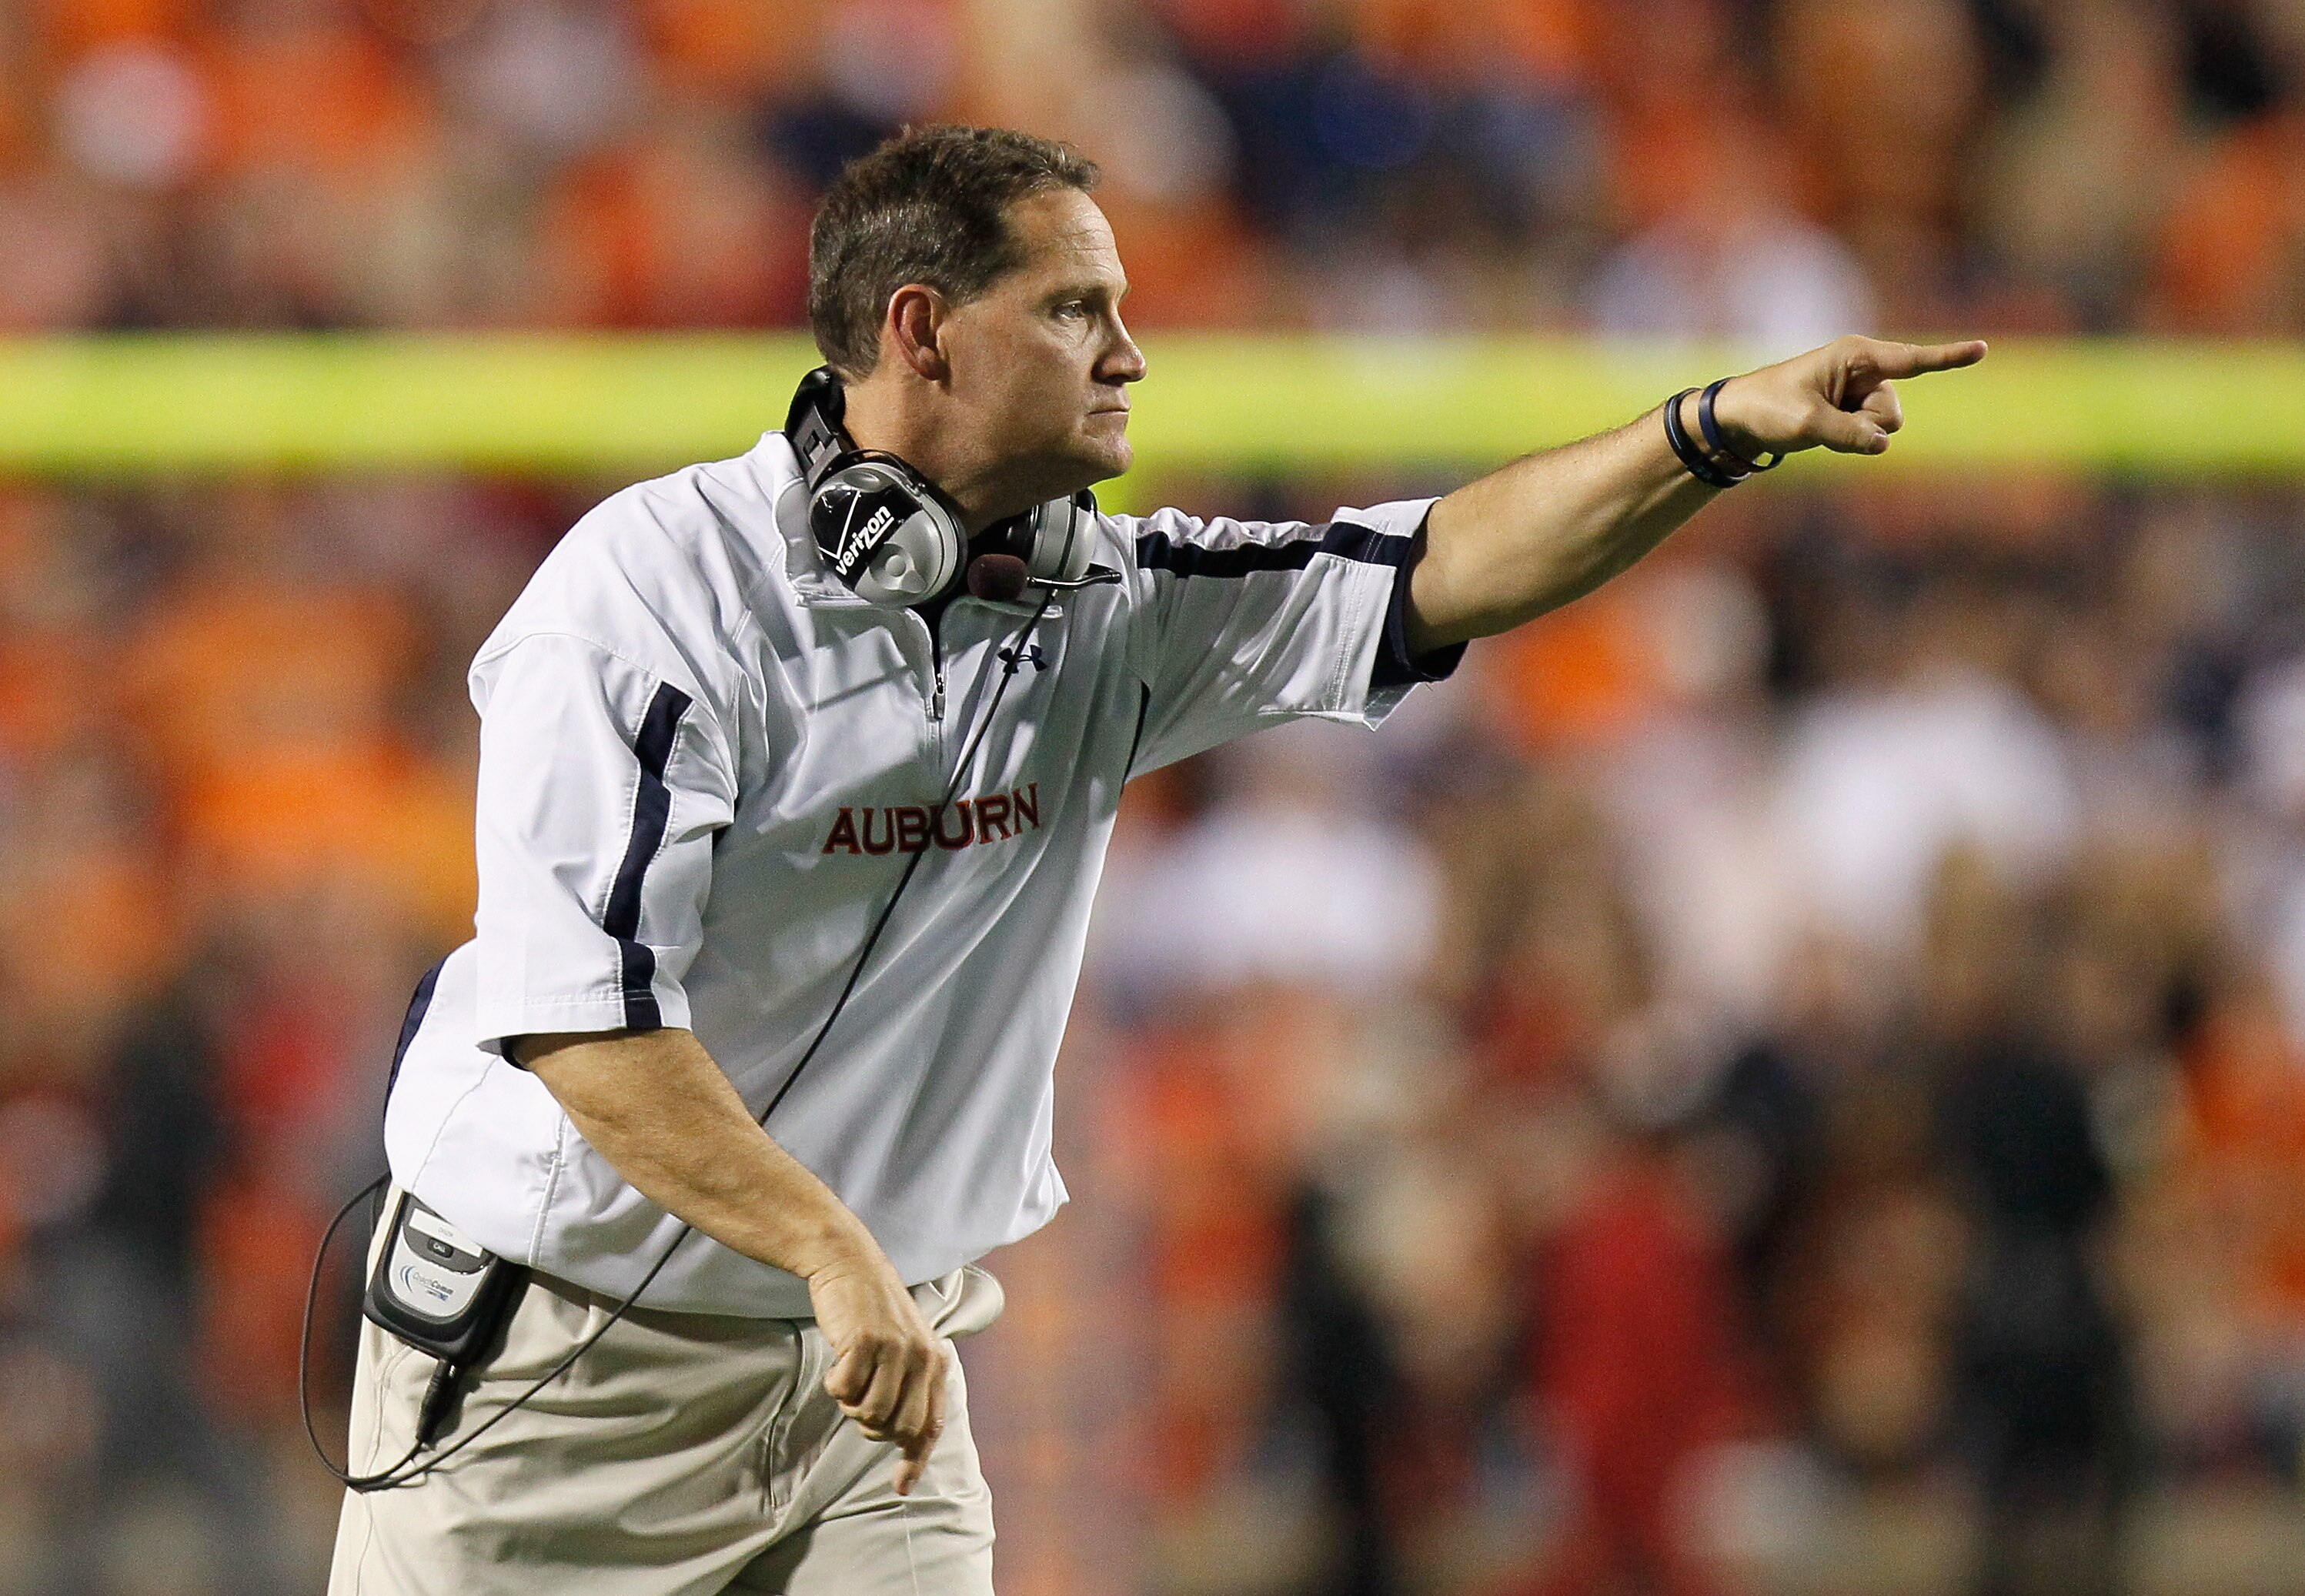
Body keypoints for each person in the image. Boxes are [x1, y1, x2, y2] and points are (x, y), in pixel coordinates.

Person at [329, 123, 1983, 1595]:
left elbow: (1444, 564)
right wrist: (830, 1247)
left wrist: (1709, 431)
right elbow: (582, 1025)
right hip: (561, 1364)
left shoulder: (1106, 605)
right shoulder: (649, 595)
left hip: (872, 1378)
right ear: (923, 330)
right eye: (1073, 309)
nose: (1132, 353)